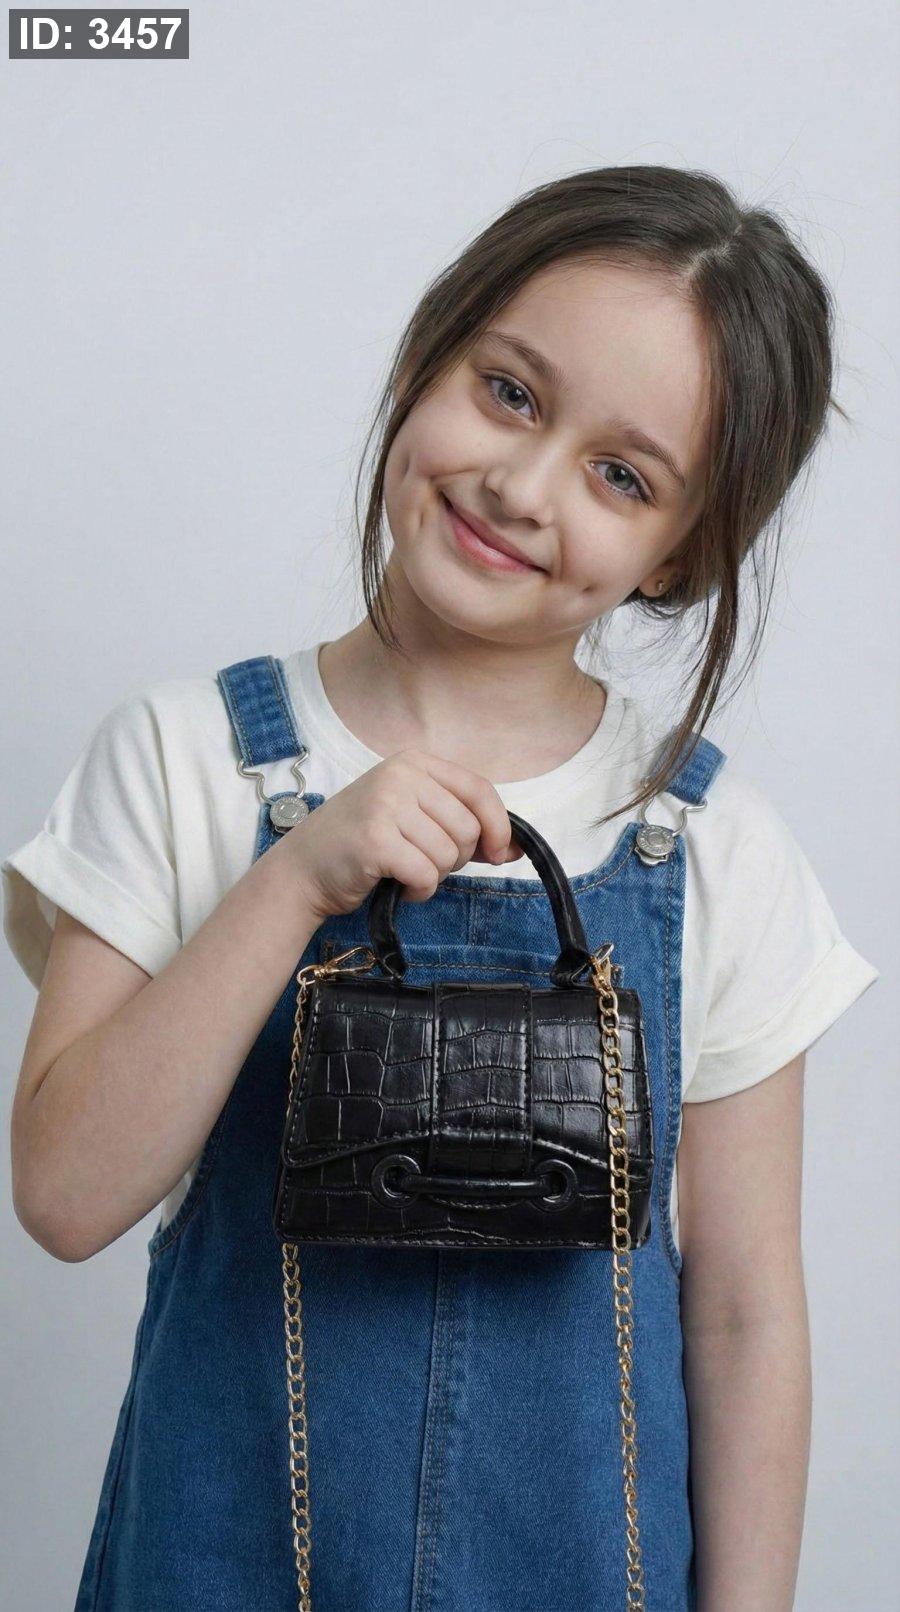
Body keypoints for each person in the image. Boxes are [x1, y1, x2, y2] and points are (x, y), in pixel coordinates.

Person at [3, 165, 880, 1612]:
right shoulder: (182, 758)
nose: (521, 488)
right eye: (511, 393)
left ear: (682, 556)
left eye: (622, 476)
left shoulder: (715, 845)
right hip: (222, 1564)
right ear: (429, 350)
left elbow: (741, 1316)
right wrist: (293, 882)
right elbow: (64, 1194)